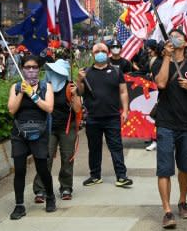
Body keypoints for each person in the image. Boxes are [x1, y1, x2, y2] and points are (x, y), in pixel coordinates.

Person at [152, 28, 187, 228]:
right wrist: (166, 57)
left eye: (178, 37)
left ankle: (183, 201)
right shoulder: (159, 63)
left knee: (185, 168)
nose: (174, 39)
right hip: (166, 124)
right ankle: (167, 211)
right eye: (171, 36)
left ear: (185, 43)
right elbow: (160, 84)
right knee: (164, 169)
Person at [77, 43, 132, 187]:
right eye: (97, 51)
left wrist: (125, 110)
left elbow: (123, 92)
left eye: (102, 51)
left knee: (116, 147)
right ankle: (95, 176)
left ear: (107, 53)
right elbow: (80, 92)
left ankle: (121, 176)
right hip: (93, 117)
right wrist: (79, 79)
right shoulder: (86, 72)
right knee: (94, 148)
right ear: (92, 54)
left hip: (112, 117)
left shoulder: (116, 71)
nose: (100, 53)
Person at [7, 55, 56, 219]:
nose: (31, 70)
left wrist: (33, 94)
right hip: (19, 133)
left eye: (34, 67)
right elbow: (12, 109)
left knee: (42, 168)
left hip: (39, 132)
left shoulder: (45, 86)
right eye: (27, 67)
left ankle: (50, 195)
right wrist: (22, 91)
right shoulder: (15, 86)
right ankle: (19, 205)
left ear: (39, 69)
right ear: (22, 68)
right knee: (19, 170)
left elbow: (49, 107)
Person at [33, 59, 82, 201]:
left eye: (56, 71)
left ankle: (66, 187)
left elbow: (78, 109)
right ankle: (40, 189)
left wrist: (75, 94)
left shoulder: (70, 87)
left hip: (67, 128)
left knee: (67, 158)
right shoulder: (43, 87)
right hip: (48, 128)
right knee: (45, 158)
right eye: (51, 71)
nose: (52, 74)